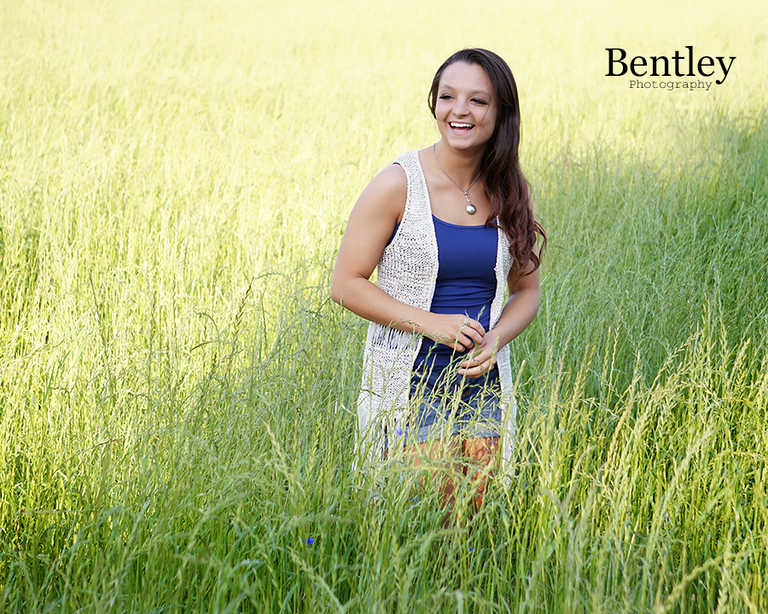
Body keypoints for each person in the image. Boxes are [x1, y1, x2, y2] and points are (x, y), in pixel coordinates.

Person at [331, 48, 546, 509]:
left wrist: (497, 339)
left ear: (502, 112)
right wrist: (430, 323)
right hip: (411, 382)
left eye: (478, 101)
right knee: (418, 523)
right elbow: (346, 284)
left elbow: (527, 292)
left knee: (474, 524)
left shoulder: (510, 190)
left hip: (483, 386)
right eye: (447, 96)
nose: (459, 111)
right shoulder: (398, 184)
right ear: (434, 103)